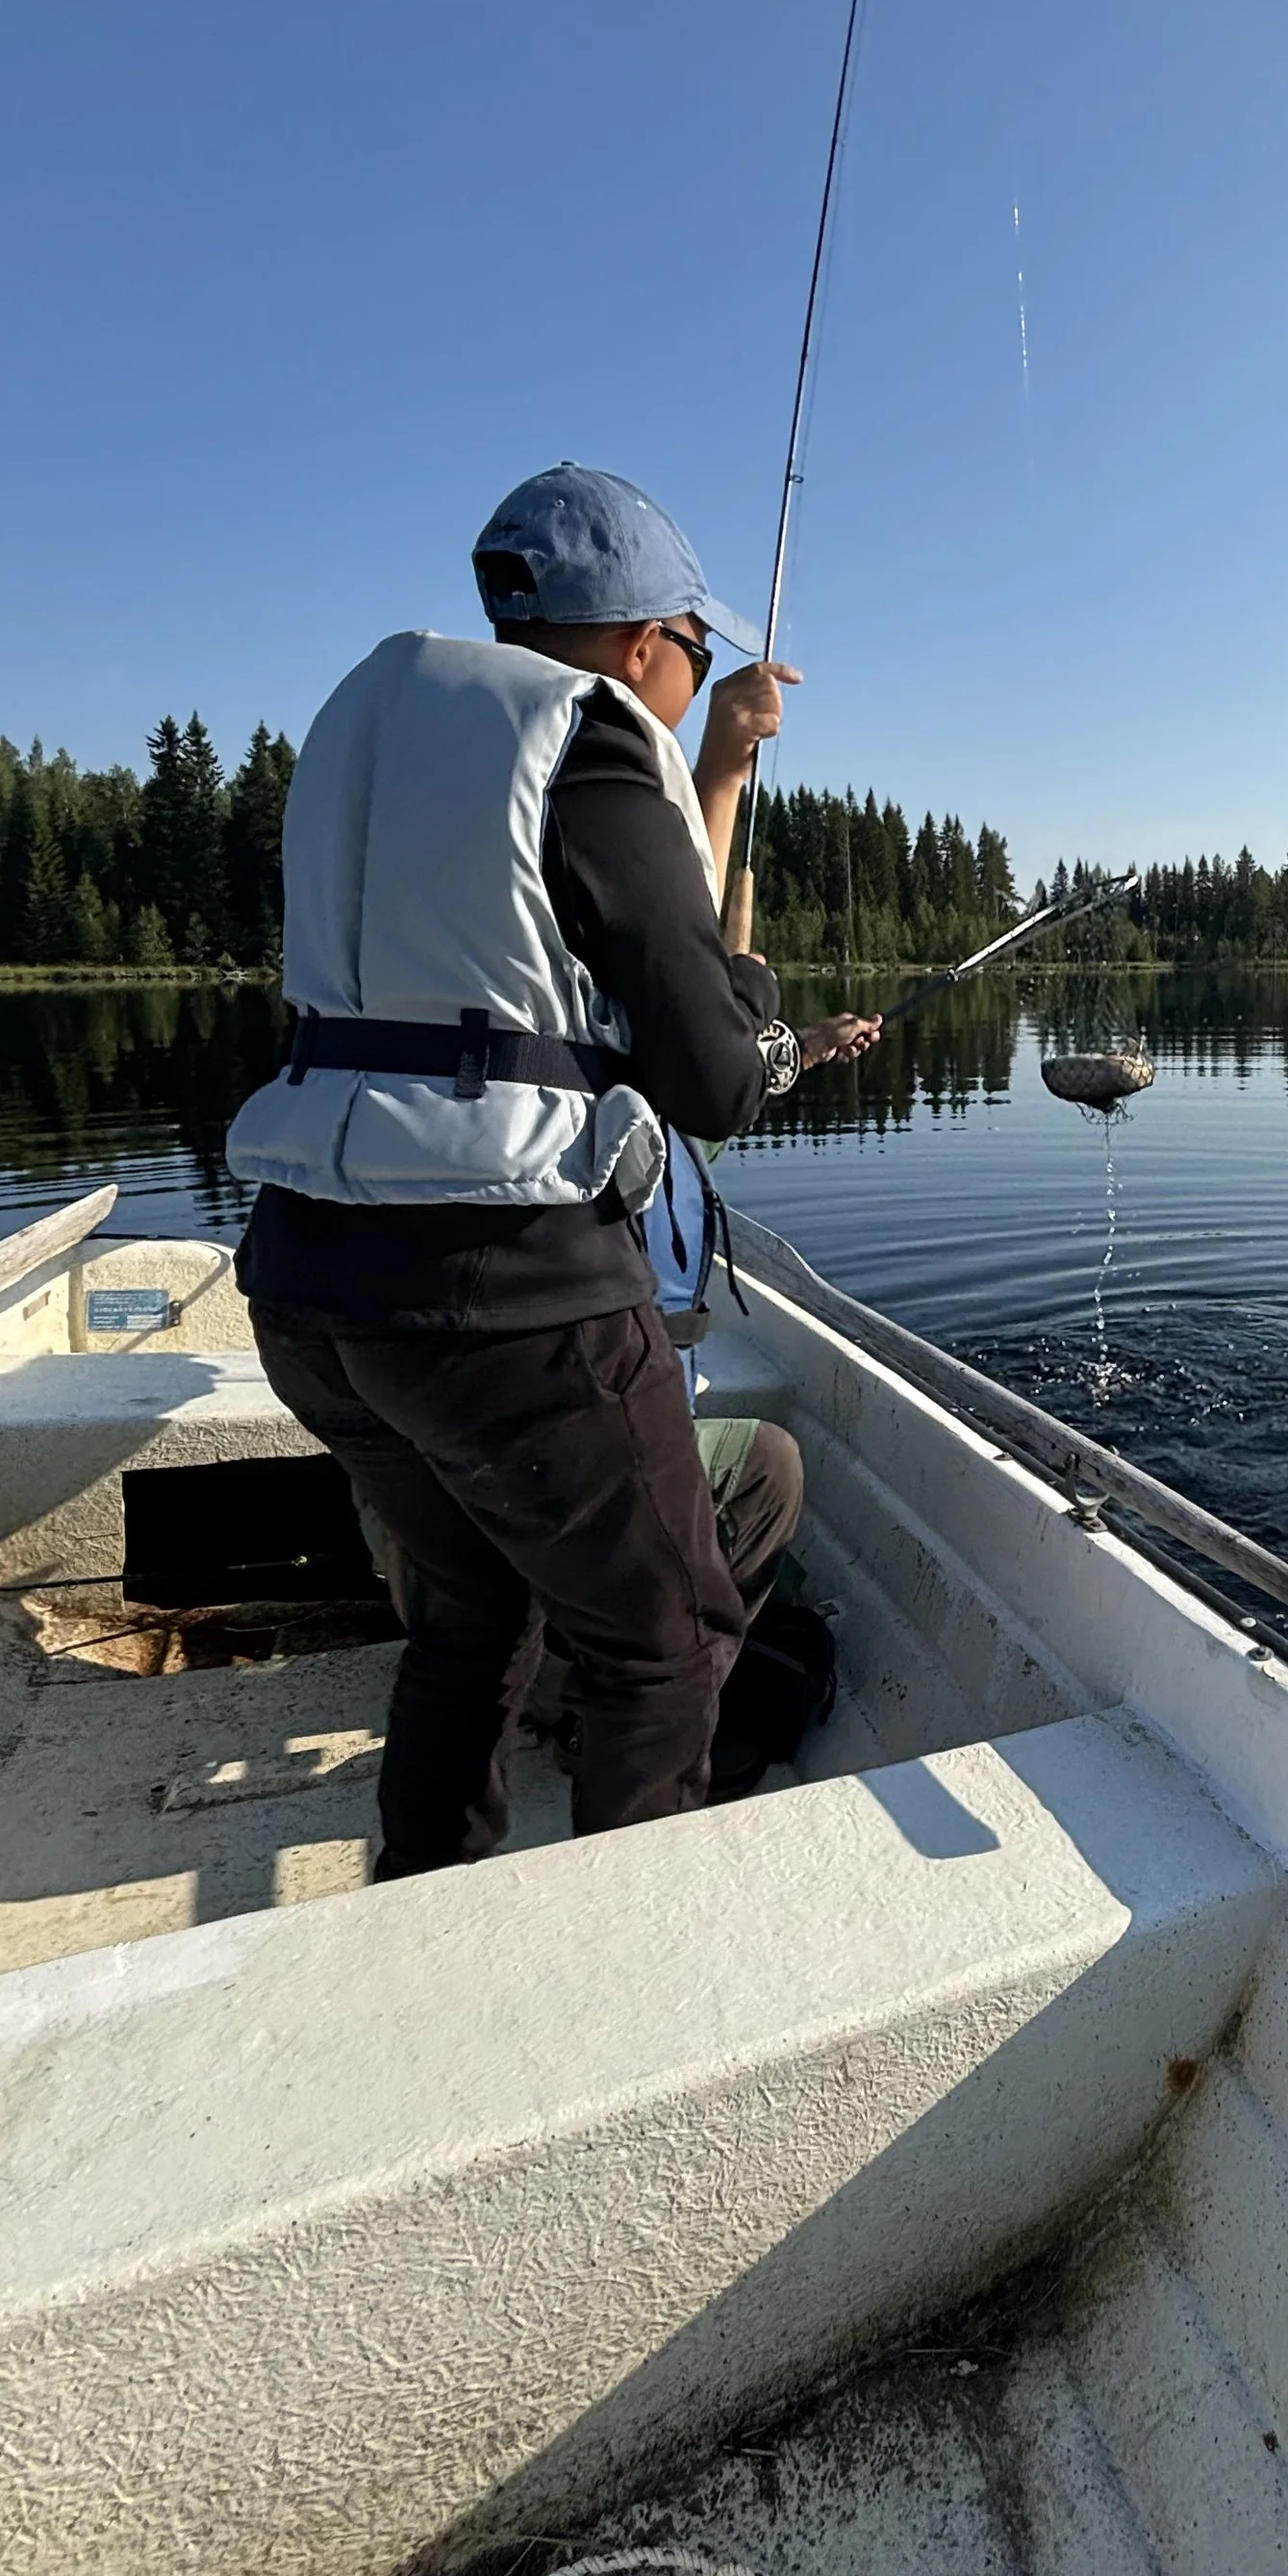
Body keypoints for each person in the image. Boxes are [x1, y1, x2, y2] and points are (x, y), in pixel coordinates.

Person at [225, 462, 879, 1874]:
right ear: (645, 640)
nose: (691, 678)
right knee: (672, 1640)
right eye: (693, 653)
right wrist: (758, 1021)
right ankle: (624, 1986)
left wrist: (719, 786)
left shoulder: (376, 727)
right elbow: (705, 1074)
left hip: (303, 1280)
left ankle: (429, 1901)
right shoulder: (587, 738)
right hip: (503, 1300)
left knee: (471, 1608)